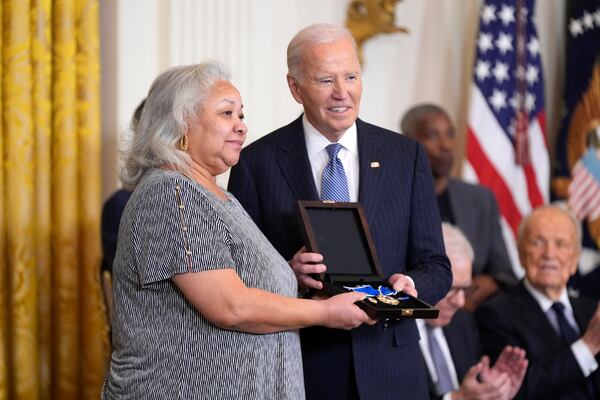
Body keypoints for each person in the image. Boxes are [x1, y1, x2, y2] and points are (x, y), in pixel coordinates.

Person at [101, 61, 376, 399]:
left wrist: (287, 275)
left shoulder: (218, 196)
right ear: (182, 121)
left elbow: (230, 280)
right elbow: (229, 306)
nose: (241, 127)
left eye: (241, 116)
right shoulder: (171, 193)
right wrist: (325, 312)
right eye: (226, 114)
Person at [228, 23, 452, 400]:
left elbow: (436, 265)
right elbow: (236, 281)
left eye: (350, 76)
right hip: (304, 368)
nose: (342, 93)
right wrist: (289, 274)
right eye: (325, 80)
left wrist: (411, 287)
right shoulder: (255, 163)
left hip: (391, 368)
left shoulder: (405, 156)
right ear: (295, 87)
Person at [476, 205, 600, 399]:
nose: (549, 254)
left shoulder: (593, 311)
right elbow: (517, 390)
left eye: (561, 244)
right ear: (520, 254)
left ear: (575, 258)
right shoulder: (495, 314)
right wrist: (587, 346)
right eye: (538, 242)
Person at [401, 104, 517, 311]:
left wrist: (472, 290)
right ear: (408, 141)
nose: (445, 145)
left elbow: (504, 274)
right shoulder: (394, 197)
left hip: (468, 316)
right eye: (432, 135)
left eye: (450, 134)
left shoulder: (481, 199)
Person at [418, 223, 527, 399]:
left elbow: (472, 392)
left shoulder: (462, 322)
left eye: (465, 290)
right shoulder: (392, 329)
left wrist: (491, 391)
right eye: (451, 288)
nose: (460, 302)